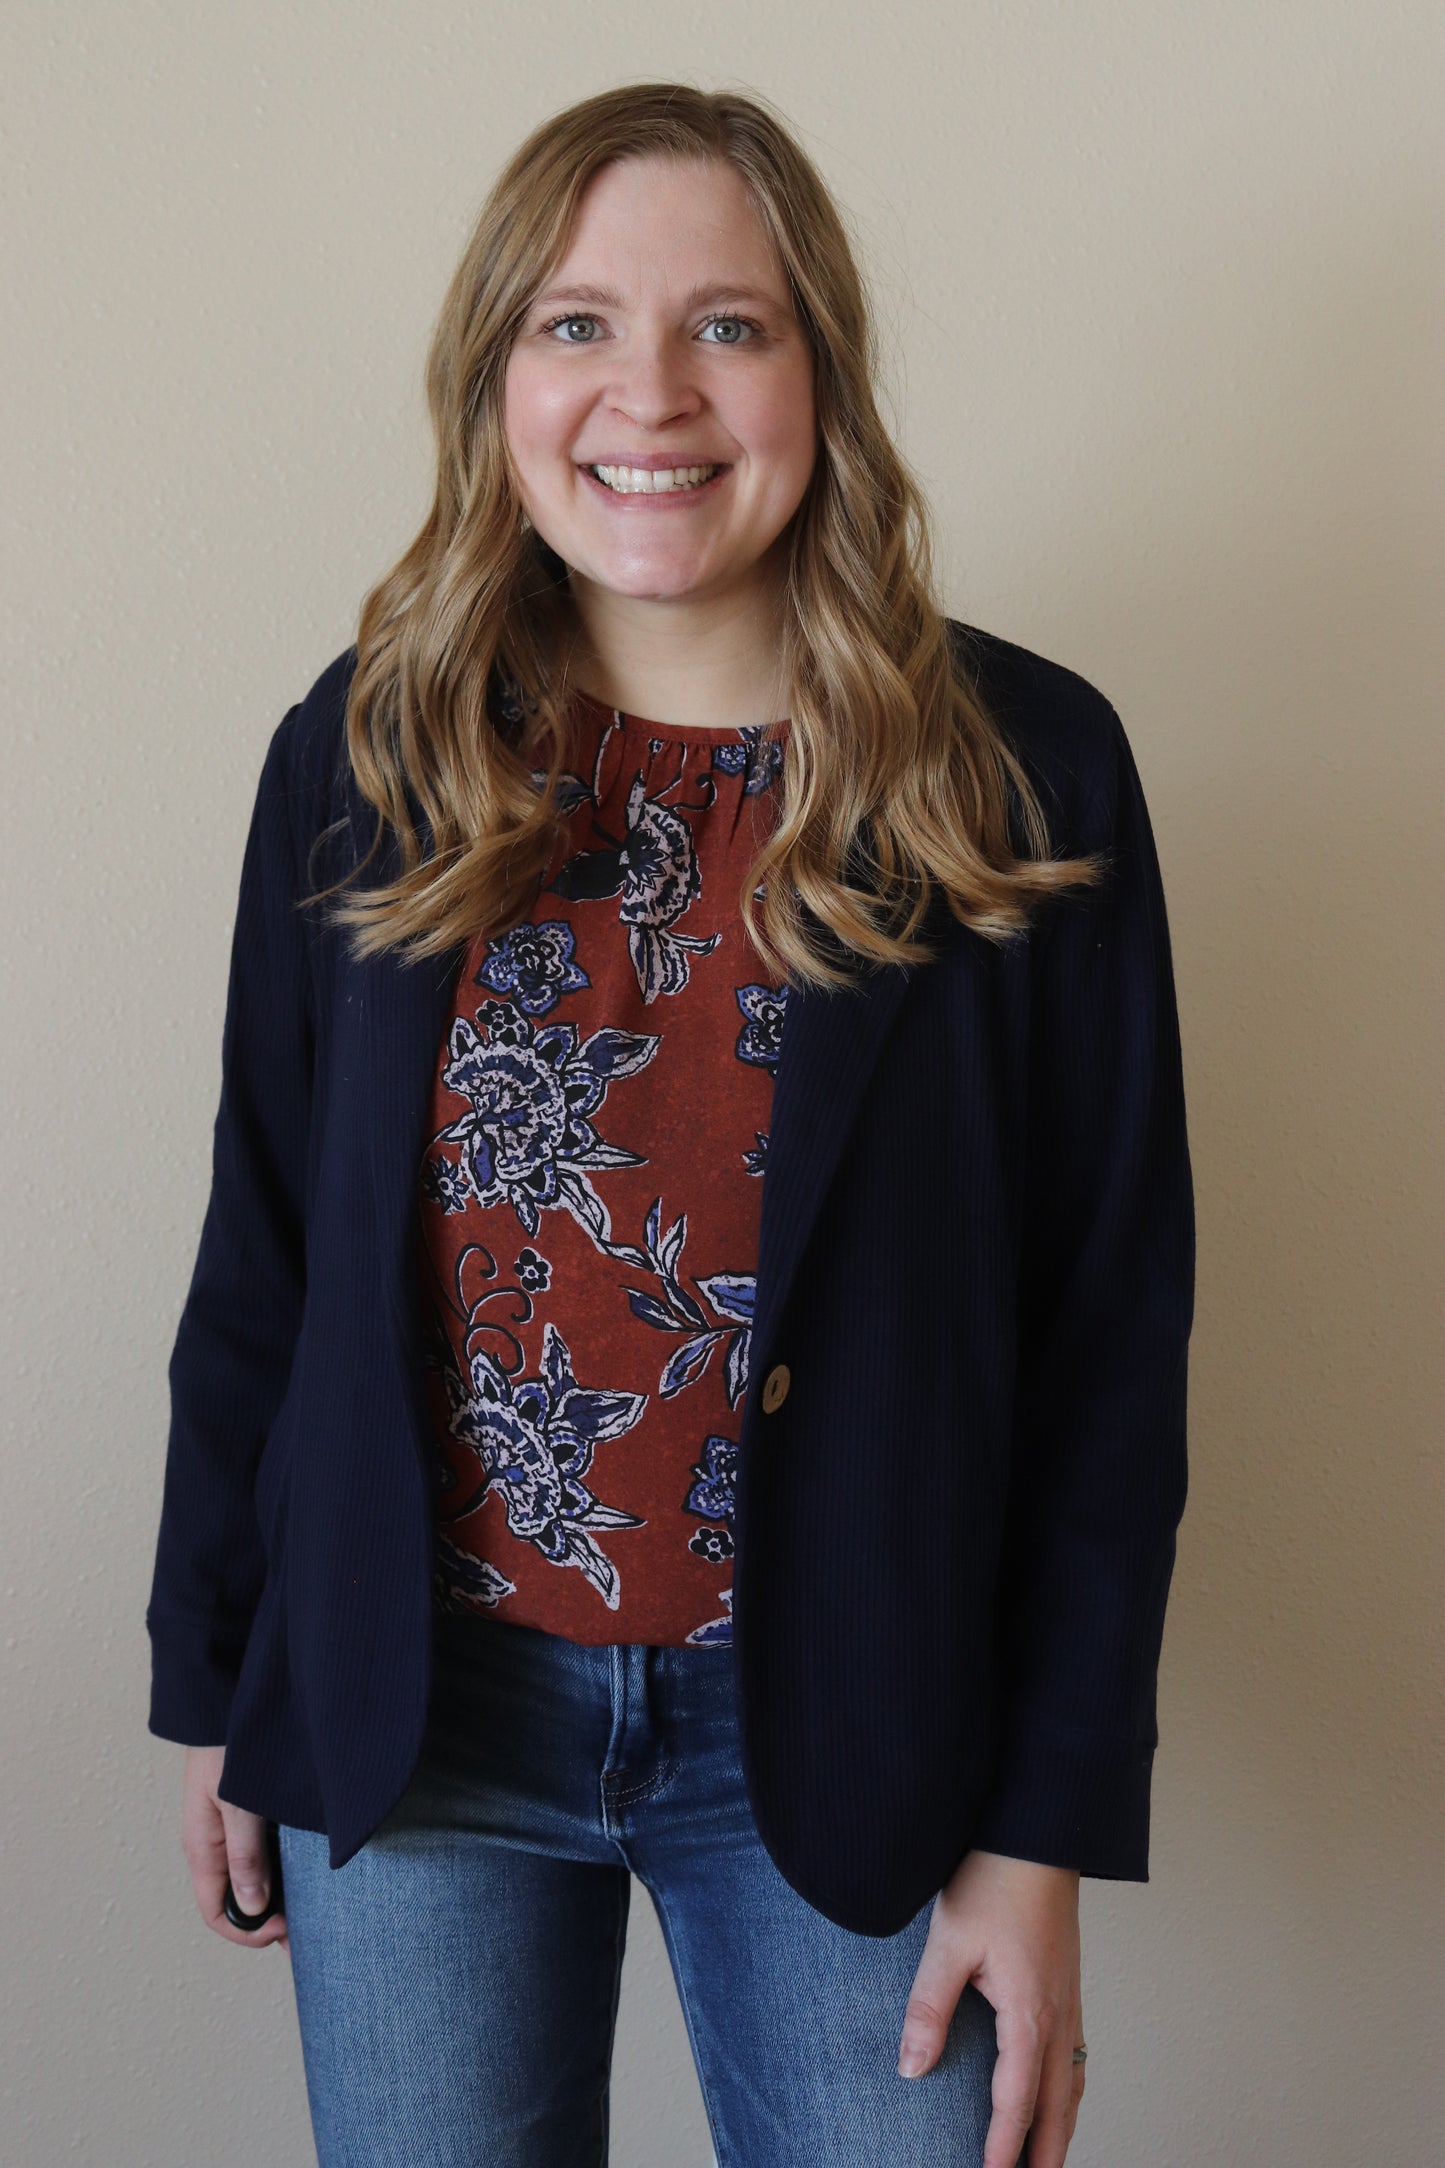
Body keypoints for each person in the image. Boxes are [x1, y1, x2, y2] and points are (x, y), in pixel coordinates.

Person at [147, 81, 1195, 2168]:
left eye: (729, 324)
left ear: (821, 374)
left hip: (859, 1735)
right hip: (413, 1719)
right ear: (494, 384)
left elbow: (1109, 1348)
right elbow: (267, 1245)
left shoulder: (1023, 774)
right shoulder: (362, 754)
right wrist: (229, 1680)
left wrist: (1040, 1834)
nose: (653, 393)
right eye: (574, 326)